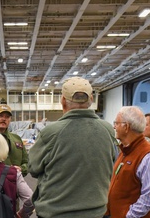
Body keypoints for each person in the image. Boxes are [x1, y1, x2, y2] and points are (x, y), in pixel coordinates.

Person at [28, 77, 117, 218]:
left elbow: (32, 168)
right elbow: (113, 164)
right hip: (97, 213)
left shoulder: (51, 133)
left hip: (55, 213)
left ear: (63, 100)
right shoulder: (108, 130)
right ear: (92, 99)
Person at [105, 106, 150, 218]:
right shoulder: (125, 151)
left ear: (126, 127)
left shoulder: (149, 155)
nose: (114, 126)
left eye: (116, 123)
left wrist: (128, 216)